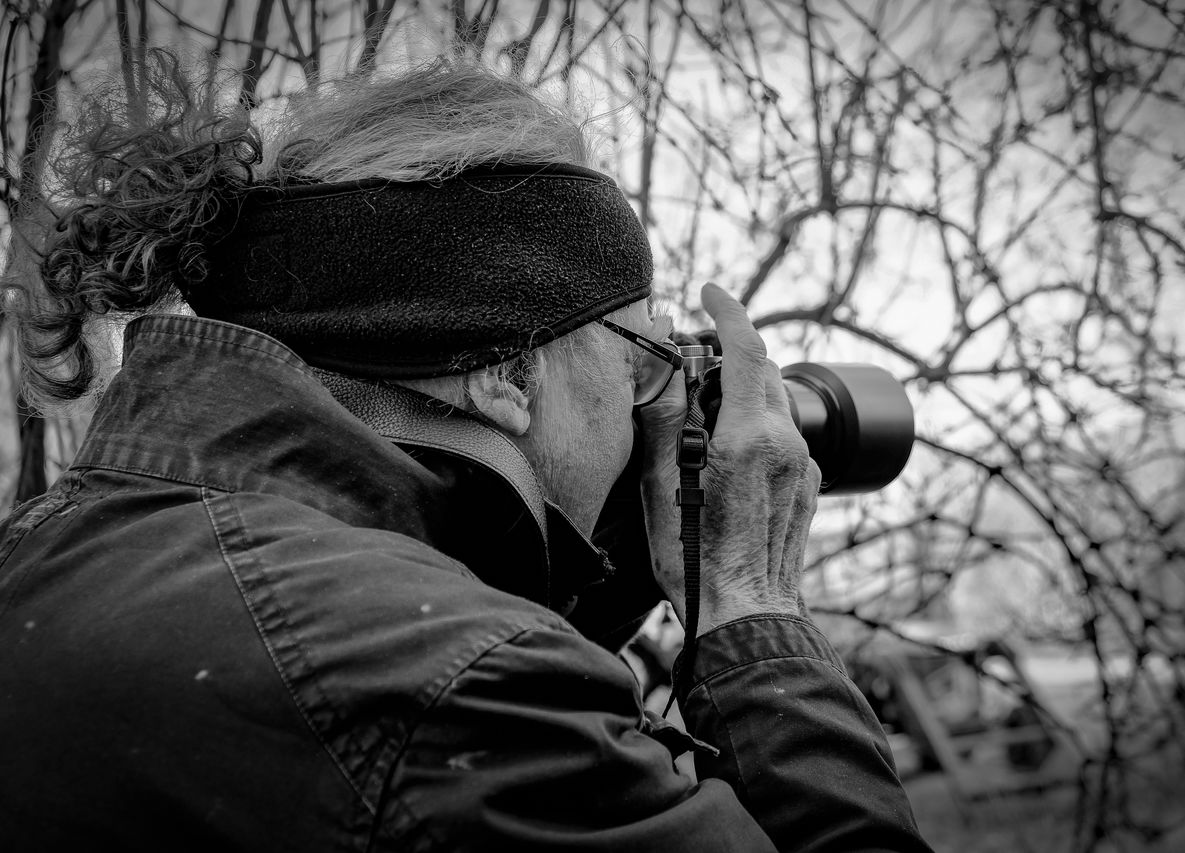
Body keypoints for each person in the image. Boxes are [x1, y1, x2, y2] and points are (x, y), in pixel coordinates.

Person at [0, 52, 933, 852]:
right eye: (639, 356)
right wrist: (750, 607)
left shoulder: (48, 550)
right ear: (509, 377)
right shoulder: (459, 686)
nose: (652, 401)